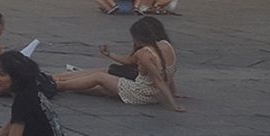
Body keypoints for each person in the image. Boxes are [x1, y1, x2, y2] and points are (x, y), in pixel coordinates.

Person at [54, 17, 185, 112]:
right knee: (100, 89)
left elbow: (159, 80)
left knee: (99, 77)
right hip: (155, 95)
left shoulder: (145, 54)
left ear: (138, 37)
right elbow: (168, 75)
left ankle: (59, 85)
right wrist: (173, 92)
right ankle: (61, 83)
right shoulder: (167, 46)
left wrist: (174, 106)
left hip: (141, 92)